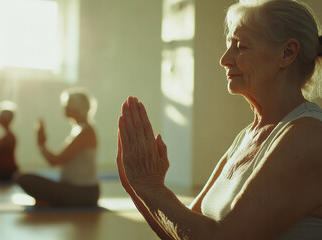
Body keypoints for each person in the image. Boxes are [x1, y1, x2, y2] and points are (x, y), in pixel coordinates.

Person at [116, 0, 322, 239]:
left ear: (287, 53)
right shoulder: (248, 135)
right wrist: (138, 186)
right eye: (228, 46)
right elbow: (185, 233)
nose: (224, 59)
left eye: (241, 46)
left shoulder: (308, 135)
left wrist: (150, 187)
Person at [16, 88, 100, 207]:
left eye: (66, 105)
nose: (64, 107)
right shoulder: (80, 130)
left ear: (76, 107)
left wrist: (41, 145)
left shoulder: (85, 132)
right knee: (22, 177)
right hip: (77, 190)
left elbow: (55, 161)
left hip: (83, 192)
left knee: (23, 178)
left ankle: (52, 201)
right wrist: (42, 145)